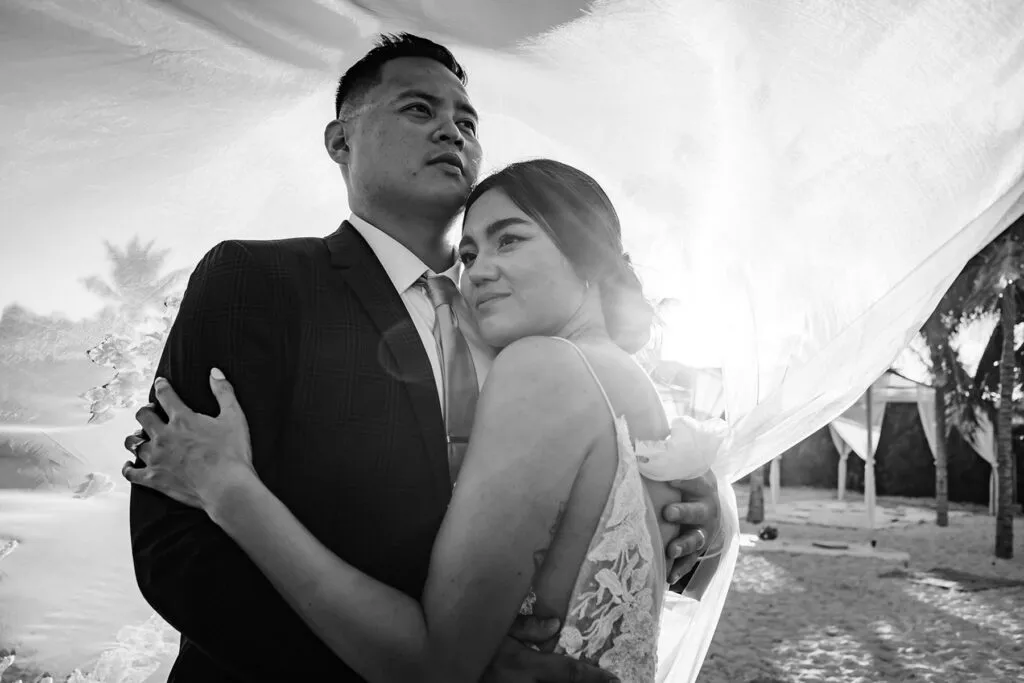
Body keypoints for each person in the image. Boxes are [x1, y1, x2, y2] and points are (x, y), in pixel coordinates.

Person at [124, 34, 721, 682]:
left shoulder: (517, 331)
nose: (451, 132)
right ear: (339, 141)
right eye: (418, 110)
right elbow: (174, 550)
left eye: (467, 120)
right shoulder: (257, 278)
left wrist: (689, 519)